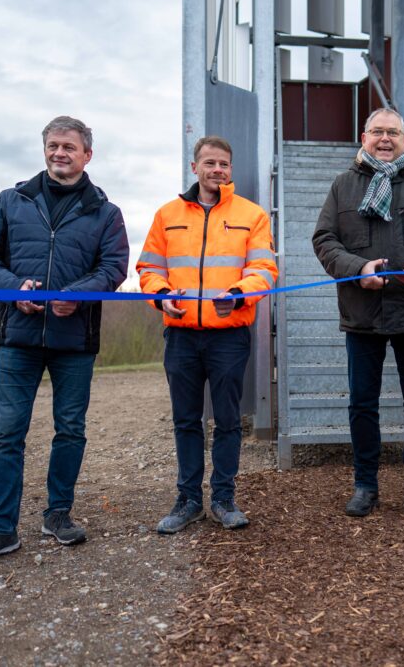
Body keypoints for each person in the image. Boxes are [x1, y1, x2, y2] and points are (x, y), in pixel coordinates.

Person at [0, 116, 129, 569]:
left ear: (87, 154)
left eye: (69, 147)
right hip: (19, 337)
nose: (59, 154)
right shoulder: (11, 201)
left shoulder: (106, 212)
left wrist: (78, 295)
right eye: (53, 145)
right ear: (45, 150)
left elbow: (114, 268)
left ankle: (58, 514)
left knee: (70, 430)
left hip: (75, 339)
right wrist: (15, 288)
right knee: (7, 434)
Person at [312, 107, 404, 524]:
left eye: (393, 132)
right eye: (377, 131)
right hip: (362, 313)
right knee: (362, 404)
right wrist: (358, 269)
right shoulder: (343, 186)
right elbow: (324, 239)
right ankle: (366, 486)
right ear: (364, 136)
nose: (385, 139)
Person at [136, 135, 278, 534]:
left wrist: (237, 294)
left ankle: (223, 498)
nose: (218, 170)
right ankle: (188, 500)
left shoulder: (252, 215)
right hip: (181, 334)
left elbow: (265, 269)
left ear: (231, 170)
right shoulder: (167, 215)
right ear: (195, 166)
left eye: (224, 164)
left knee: (229, 420)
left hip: (228, 336)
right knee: (185, 420)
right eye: (210, 163)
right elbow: (149, 269)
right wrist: (160, 297)